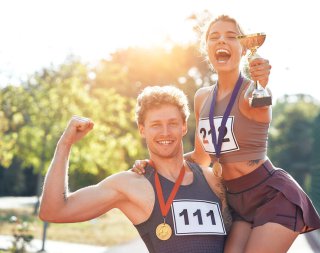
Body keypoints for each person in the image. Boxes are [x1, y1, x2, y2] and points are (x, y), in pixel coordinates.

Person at [132, 15, 320, 253]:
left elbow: (261, 104)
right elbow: (202, 158)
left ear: (244, 48)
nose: (222, 41)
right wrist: (153, 164)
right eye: (214, 37)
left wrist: (262, 81)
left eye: (231, 36)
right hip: (236, 201)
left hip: (271, 194)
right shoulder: (202, 98)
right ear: (207, 49)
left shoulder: (249, 91)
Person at [39, 85, 231, 253]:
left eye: (172, 123)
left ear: (183, 127)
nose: (165, 132)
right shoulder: (130, 185)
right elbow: (53, 211)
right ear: (142, 129)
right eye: (156, 125)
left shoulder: (212, 179)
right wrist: (65, 144)